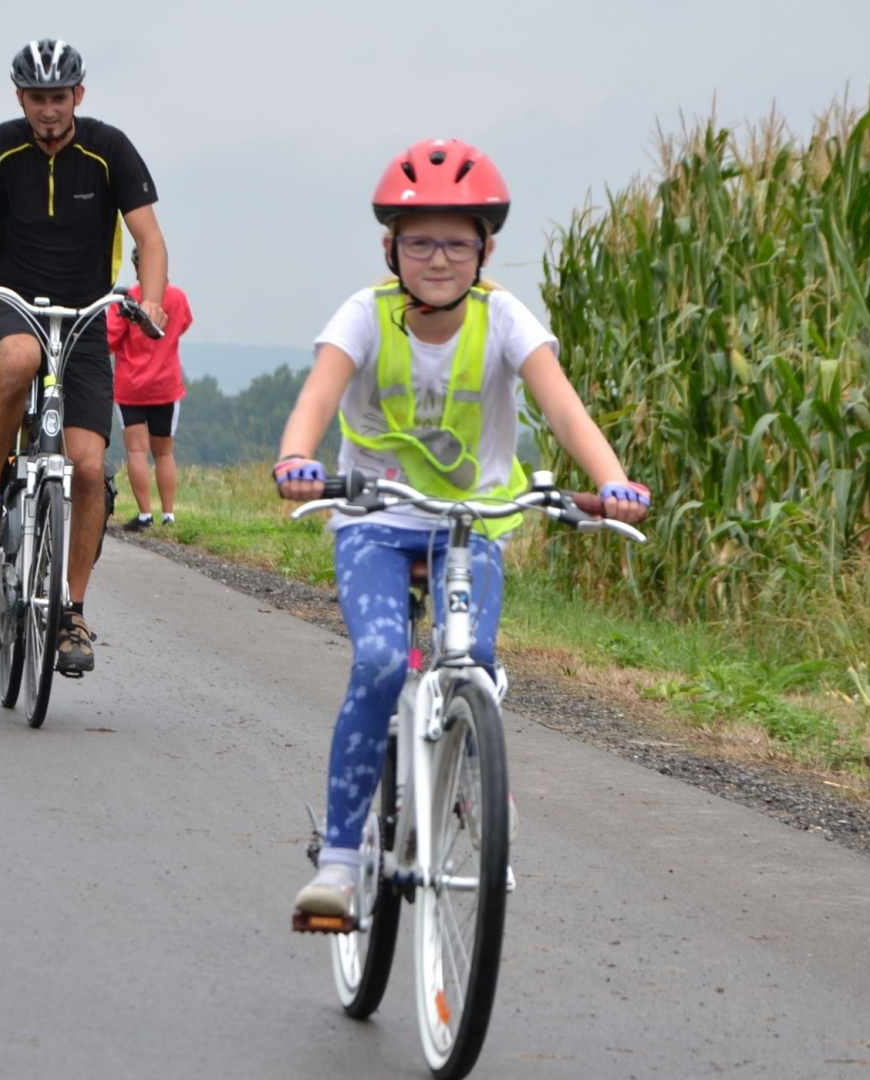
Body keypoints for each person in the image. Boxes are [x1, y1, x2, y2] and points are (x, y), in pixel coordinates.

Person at [274, 139, 651, 919]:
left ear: (484, 249)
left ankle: (473, 775)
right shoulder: (364, 315)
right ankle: (342, 862)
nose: (437, 258)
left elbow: (563, 408)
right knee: (381, 660)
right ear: (391, 250)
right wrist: (296, 457)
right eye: (419, 242)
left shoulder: (504, 317)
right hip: (375, 522)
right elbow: (318, 395)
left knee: (472, 658)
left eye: (455, 241)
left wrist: (611, 480)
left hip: (472, 525)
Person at [0, 38, 169, 675]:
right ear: (21, 98)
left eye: (59, 97)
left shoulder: (109, 149)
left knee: (91, 469)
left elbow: (150, 239)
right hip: (12, 301)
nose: (48, 109)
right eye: (37, 97)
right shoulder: (0, 146)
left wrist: (149, 303)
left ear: (79, 95)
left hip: (87, 315)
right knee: (14, 357)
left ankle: (70, 612)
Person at [107, 277, 191, 531]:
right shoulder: (177, 297)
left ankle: (145, 515)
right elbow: (184, 323)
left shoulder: (126, 300)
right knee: (164, 452)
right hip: (165, 384)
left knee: (136, 451)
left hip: (131, 385)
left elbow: (109, 339)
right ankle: (168, 515)